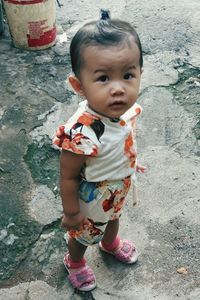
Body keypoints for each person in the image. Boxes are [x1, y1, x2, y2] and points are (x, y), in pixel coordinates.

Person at [53, 9, 145, 292]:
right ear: (78, 86)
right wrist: (71, 212)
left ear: (140, 74)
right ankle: (76, 261)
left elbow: (123, 139)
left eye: (128, 75)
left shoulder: (126, 112)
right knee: (82, 235)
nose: (118, 89)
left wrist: (130, 161)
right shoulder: (81, 132)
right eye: (103, 78)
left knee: (114, 219)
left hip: (118, 186)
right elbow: (68, 176)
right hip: (90, 196)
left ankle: (109, 244)